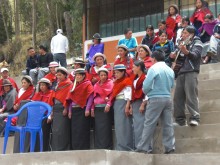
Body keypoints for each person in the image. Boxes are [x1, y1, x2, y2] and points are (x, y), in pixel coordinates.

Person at [136, 50, 175, 154]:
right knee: (168, 124)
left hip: (155, 98)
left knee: (149, 123)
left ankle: (143, 147)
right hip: (167, 97)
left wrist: (146, 91)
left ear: (153, 59)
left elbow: (146, 85)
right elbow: (172, 85)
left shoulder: (153, 68)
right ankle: (170, 147)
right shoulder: (169, 69)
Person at [170, 26, 203, 126]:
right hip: (180, 72)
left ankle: (195, 117)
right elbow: (177, 58)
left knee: (191, 95)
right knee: (177, 97)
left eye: (184, 33)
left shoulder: (198, 43)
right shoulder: (182, 44)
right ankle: (180, 120)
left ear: (191, 34)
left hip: (191, 71)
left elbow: (195, 56)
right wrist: (173, 56)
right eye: (182, 33)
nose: (182, 35)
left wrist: (185, 51)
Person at [66, 68, 93, 150]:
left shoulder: (87, 84)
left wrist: (87, 109)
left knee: (82, 130)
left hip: (83, 110)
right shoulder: (73, 85)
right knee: (75, 131)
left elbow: (90, 97)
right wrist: (70, 111)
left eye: (79, 75)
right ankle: (75, 148)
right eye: (76, 75)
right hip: (74, 111)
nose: (77, 77)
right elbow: (70, 99)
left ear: (83, 76)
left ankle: (83, 148)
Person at [109, 64, 133, 151]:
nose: (116, 74)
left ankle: (126, 147)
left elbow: (129, 95)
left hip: (123, 103)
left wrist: (127, 106)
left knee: (125, 126)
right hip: (117, 103)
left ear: (123, 72)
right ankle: (120, 146)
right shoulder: (116, 82)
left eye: (118, 72)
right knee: (119, 126)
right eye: (115, 73)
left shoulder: (127, 81)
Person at [51, 67, 73, 151]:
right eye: (57, 75)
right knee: (56, 131)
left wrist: (66, 108)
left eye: (60, 75)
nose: (58, 77)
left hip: (63, 108)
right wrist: (52, 110)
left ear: (65, 75)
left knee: (62, 130)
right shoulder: (57, 84)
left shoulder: (69, 84)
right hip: (56, 109)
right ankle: (56, 148)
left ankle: (64, 148)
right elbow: (53, 97)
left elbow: (68, 97)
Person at [91, 68, 113, 149]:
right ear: (99, 76)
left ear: (107, 76)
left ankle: (107, 147)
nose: (103, 77)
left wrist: (108, 104)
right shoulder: (96, 85)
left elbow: (111, 95)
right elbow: (94, 97)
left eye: (104, 75)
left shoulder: (110, 83)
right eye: (101, 75)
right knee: (98, 129)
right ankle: (98, 147)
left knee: (105, 129)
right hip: (97, 110)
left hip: (105, 109)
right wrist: (92, 109)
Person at [13, 75, 35, 153]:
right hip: (19, 112)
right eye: (22, 83)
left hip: (27, 113)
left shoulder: (32, 90)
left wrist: (19, 104)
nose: (23, 84)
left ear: (29, 83)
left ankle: (25, 149)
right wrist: (15, 104)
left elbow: (30, 100)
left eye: (25, 83)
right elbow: (17, 100)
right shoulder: (20, 90)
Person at [32, 78, 54, 151]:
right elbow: (33, 105)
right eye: (40, 85)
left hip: (46, 116)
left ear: (47, 86)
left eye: (43, 85)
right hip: (37, 117)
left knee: (44, 133)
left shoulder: (51, 93)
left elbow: (51, 106)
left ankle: (44, 149)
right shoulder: (38, 94)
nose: (41, 87)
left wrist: (50, 116)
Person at [131, 60, 148, 149]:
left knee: (141, 125)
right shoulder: (135, 78)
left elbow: (147, 92)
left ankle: (144, 147)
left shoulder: (145, 77)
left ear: (139, 67)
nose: (132, 68)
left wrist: (143, 104)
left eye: (134, 67)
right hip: (135, 102)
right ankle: (138, 146)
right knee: (137, 126)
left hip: (141, 102)